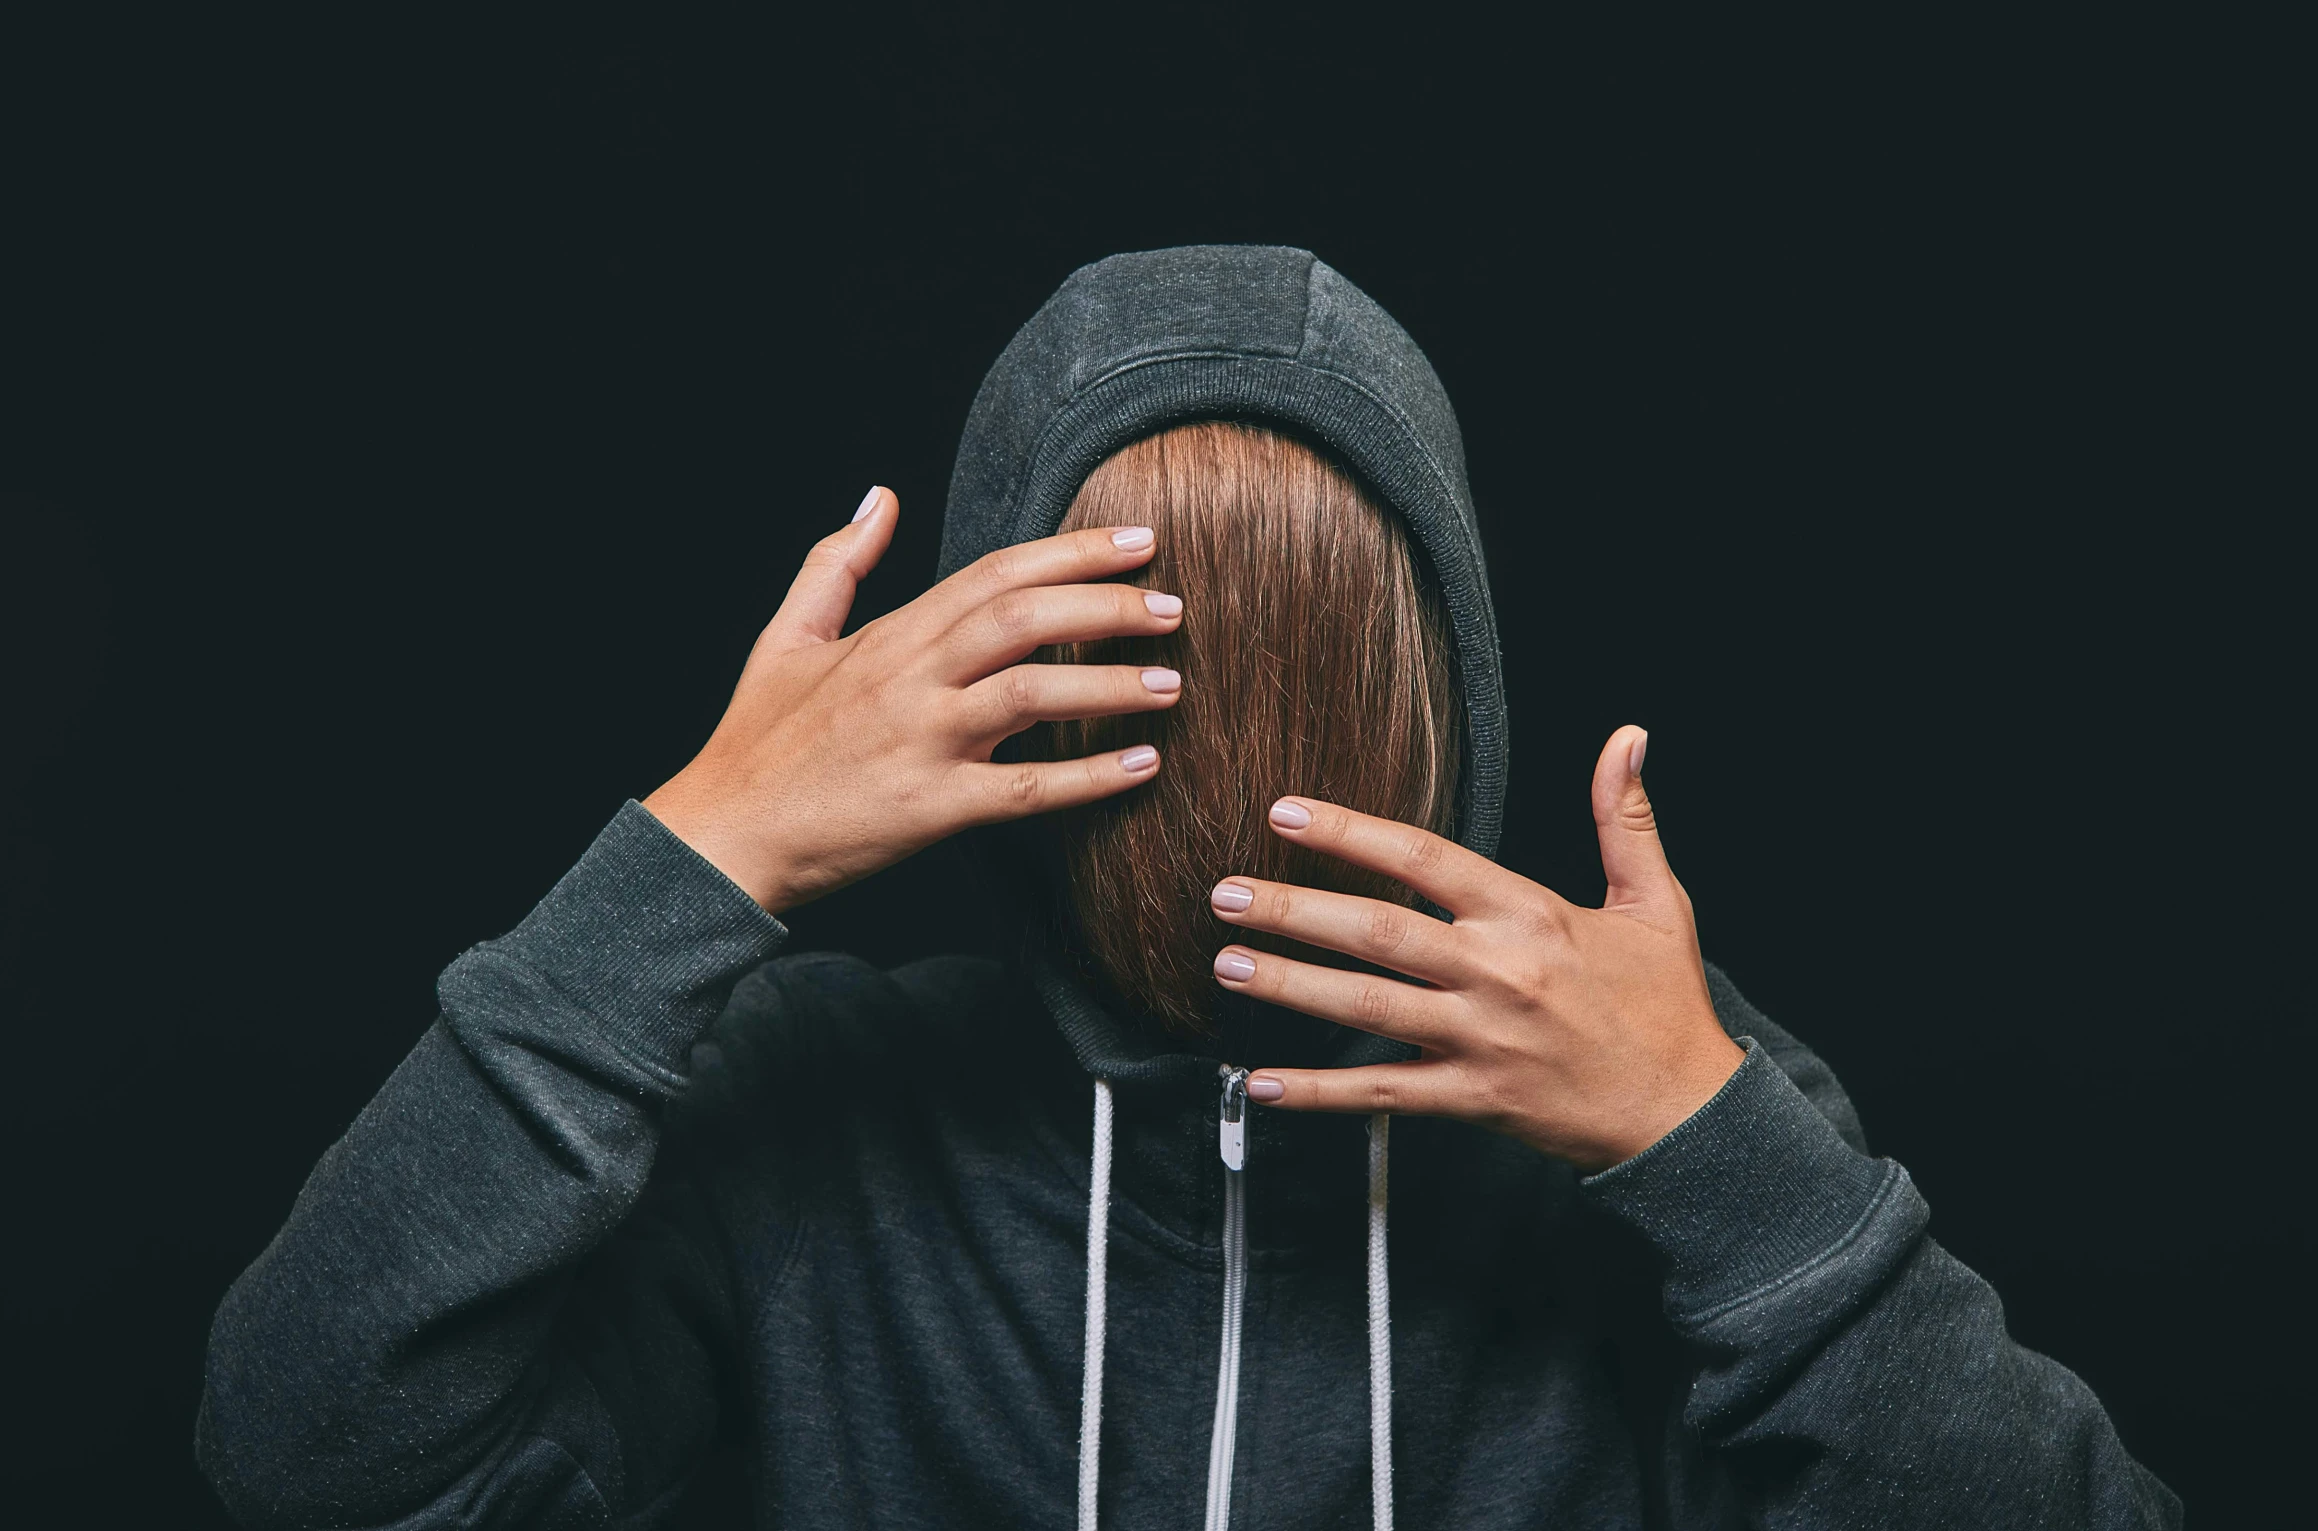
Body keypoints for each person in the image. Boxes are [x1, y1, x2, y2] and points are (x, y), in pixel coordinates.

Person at [196, 246, 2180, 1529]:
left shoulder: (1657, 1124)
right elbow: (300, 1459)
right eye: (1155, 660)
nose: (1241, 741)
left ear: (1445, 680)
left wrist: (1717, 1155)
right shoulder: (812, 1119)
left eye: (1305, 653)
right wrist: (689, 859)